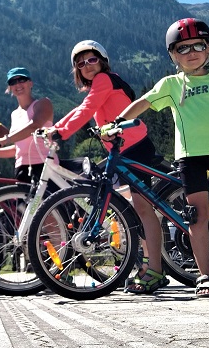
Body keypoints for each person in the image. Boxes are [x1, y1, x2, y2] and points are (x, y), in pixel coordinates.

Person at [115, 18, 209, 297]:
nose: (191, 52)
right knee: (196, 218)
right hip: (190, 158)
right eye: (182, 48)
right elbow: (143, 103)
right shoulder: (171, 84)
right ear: (172, 55)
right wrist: (117, 122)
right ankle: (205, 277)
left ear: (208, 48)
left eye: (198, 45)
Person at [47, 40, 168, 295]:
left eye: (91, 60)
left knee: (143, 210)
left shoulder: (104, 80)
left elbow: (86, 109)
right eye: (80, 63)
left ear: (102, 60)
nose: (86, 66)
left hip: (134, 148)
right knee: (134, 208)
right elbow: (81, 108)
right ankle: (149, 265)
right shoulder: (101, 84)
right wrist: (56, 128)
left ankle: (154, 269)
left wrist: (61, 133)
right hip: (123, 150)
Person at [0, 67, 55, 183]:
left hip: (45, 166)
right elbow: (18, 148)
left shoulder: (43, 103)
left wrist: (4, 140)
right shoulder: (14, 114)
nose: (18, 84)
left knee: (52, 201)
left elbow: (34, 125)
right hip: (22, 169)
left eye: (21, 80)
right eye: (13, 82)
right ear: (9, 88)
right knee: (23, 202)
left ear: (30, 83)